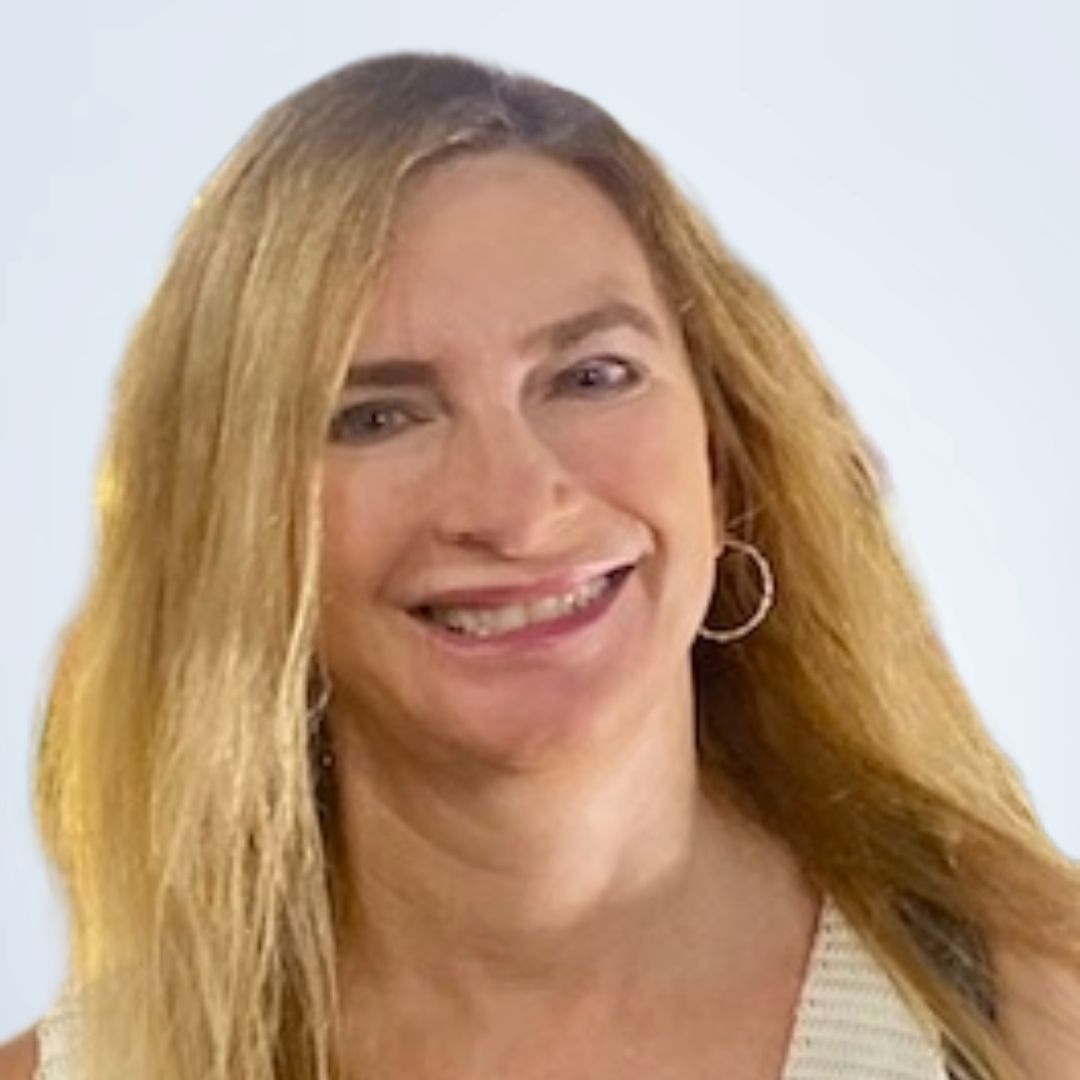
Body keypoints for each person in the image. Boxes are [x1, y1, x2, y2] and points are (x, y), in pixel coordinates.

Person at [2, 51, 1078, 1080]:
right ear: (235, 522)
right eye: (376, 415)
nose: (514, 510)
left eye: (592, 375)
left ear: (725, 451)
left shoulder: (1038, 1020)